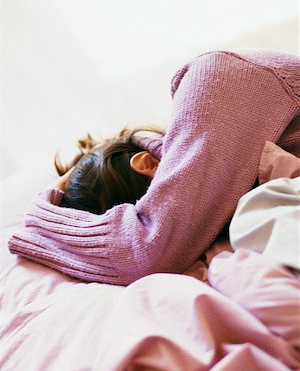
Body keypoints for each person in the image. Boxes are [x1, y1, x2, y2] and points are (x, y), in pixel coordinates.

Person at [8, 50, 300, 285]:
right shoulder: (235, 173)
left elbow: (146, 252)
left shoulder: (217, 78)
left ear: (145, 162)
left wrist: (38, 216)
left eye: (149, 206)